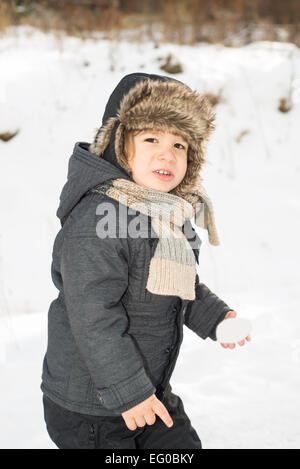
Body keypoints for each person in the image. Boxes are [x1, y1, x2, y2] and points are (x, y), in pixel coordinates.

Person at [41, 72, 250, 449]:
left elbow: (175, 283)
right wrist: (128, 392)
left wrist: (213, 316)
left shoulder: (167, 214)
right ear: (119, 145)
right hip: (93, 407)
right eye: (151, 138)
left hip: (147, 391)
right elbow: (93, 317)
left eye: (180, 144)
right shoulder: (97, 219)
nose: (167, 153)